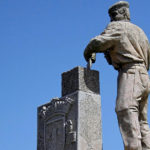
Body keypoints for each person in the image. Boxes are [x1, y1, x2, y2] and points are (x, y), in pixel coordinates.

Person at [84, 1, 150, 150]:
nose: (111, 19)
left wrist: (88, 51)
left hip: (130, 73)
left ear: (123, 14)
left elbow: (99, 42)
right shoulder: (140, 31)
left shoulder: (118, 27)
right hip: (144, 75)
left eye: (114, 15)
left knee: (125, 109)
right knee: (141, 120)